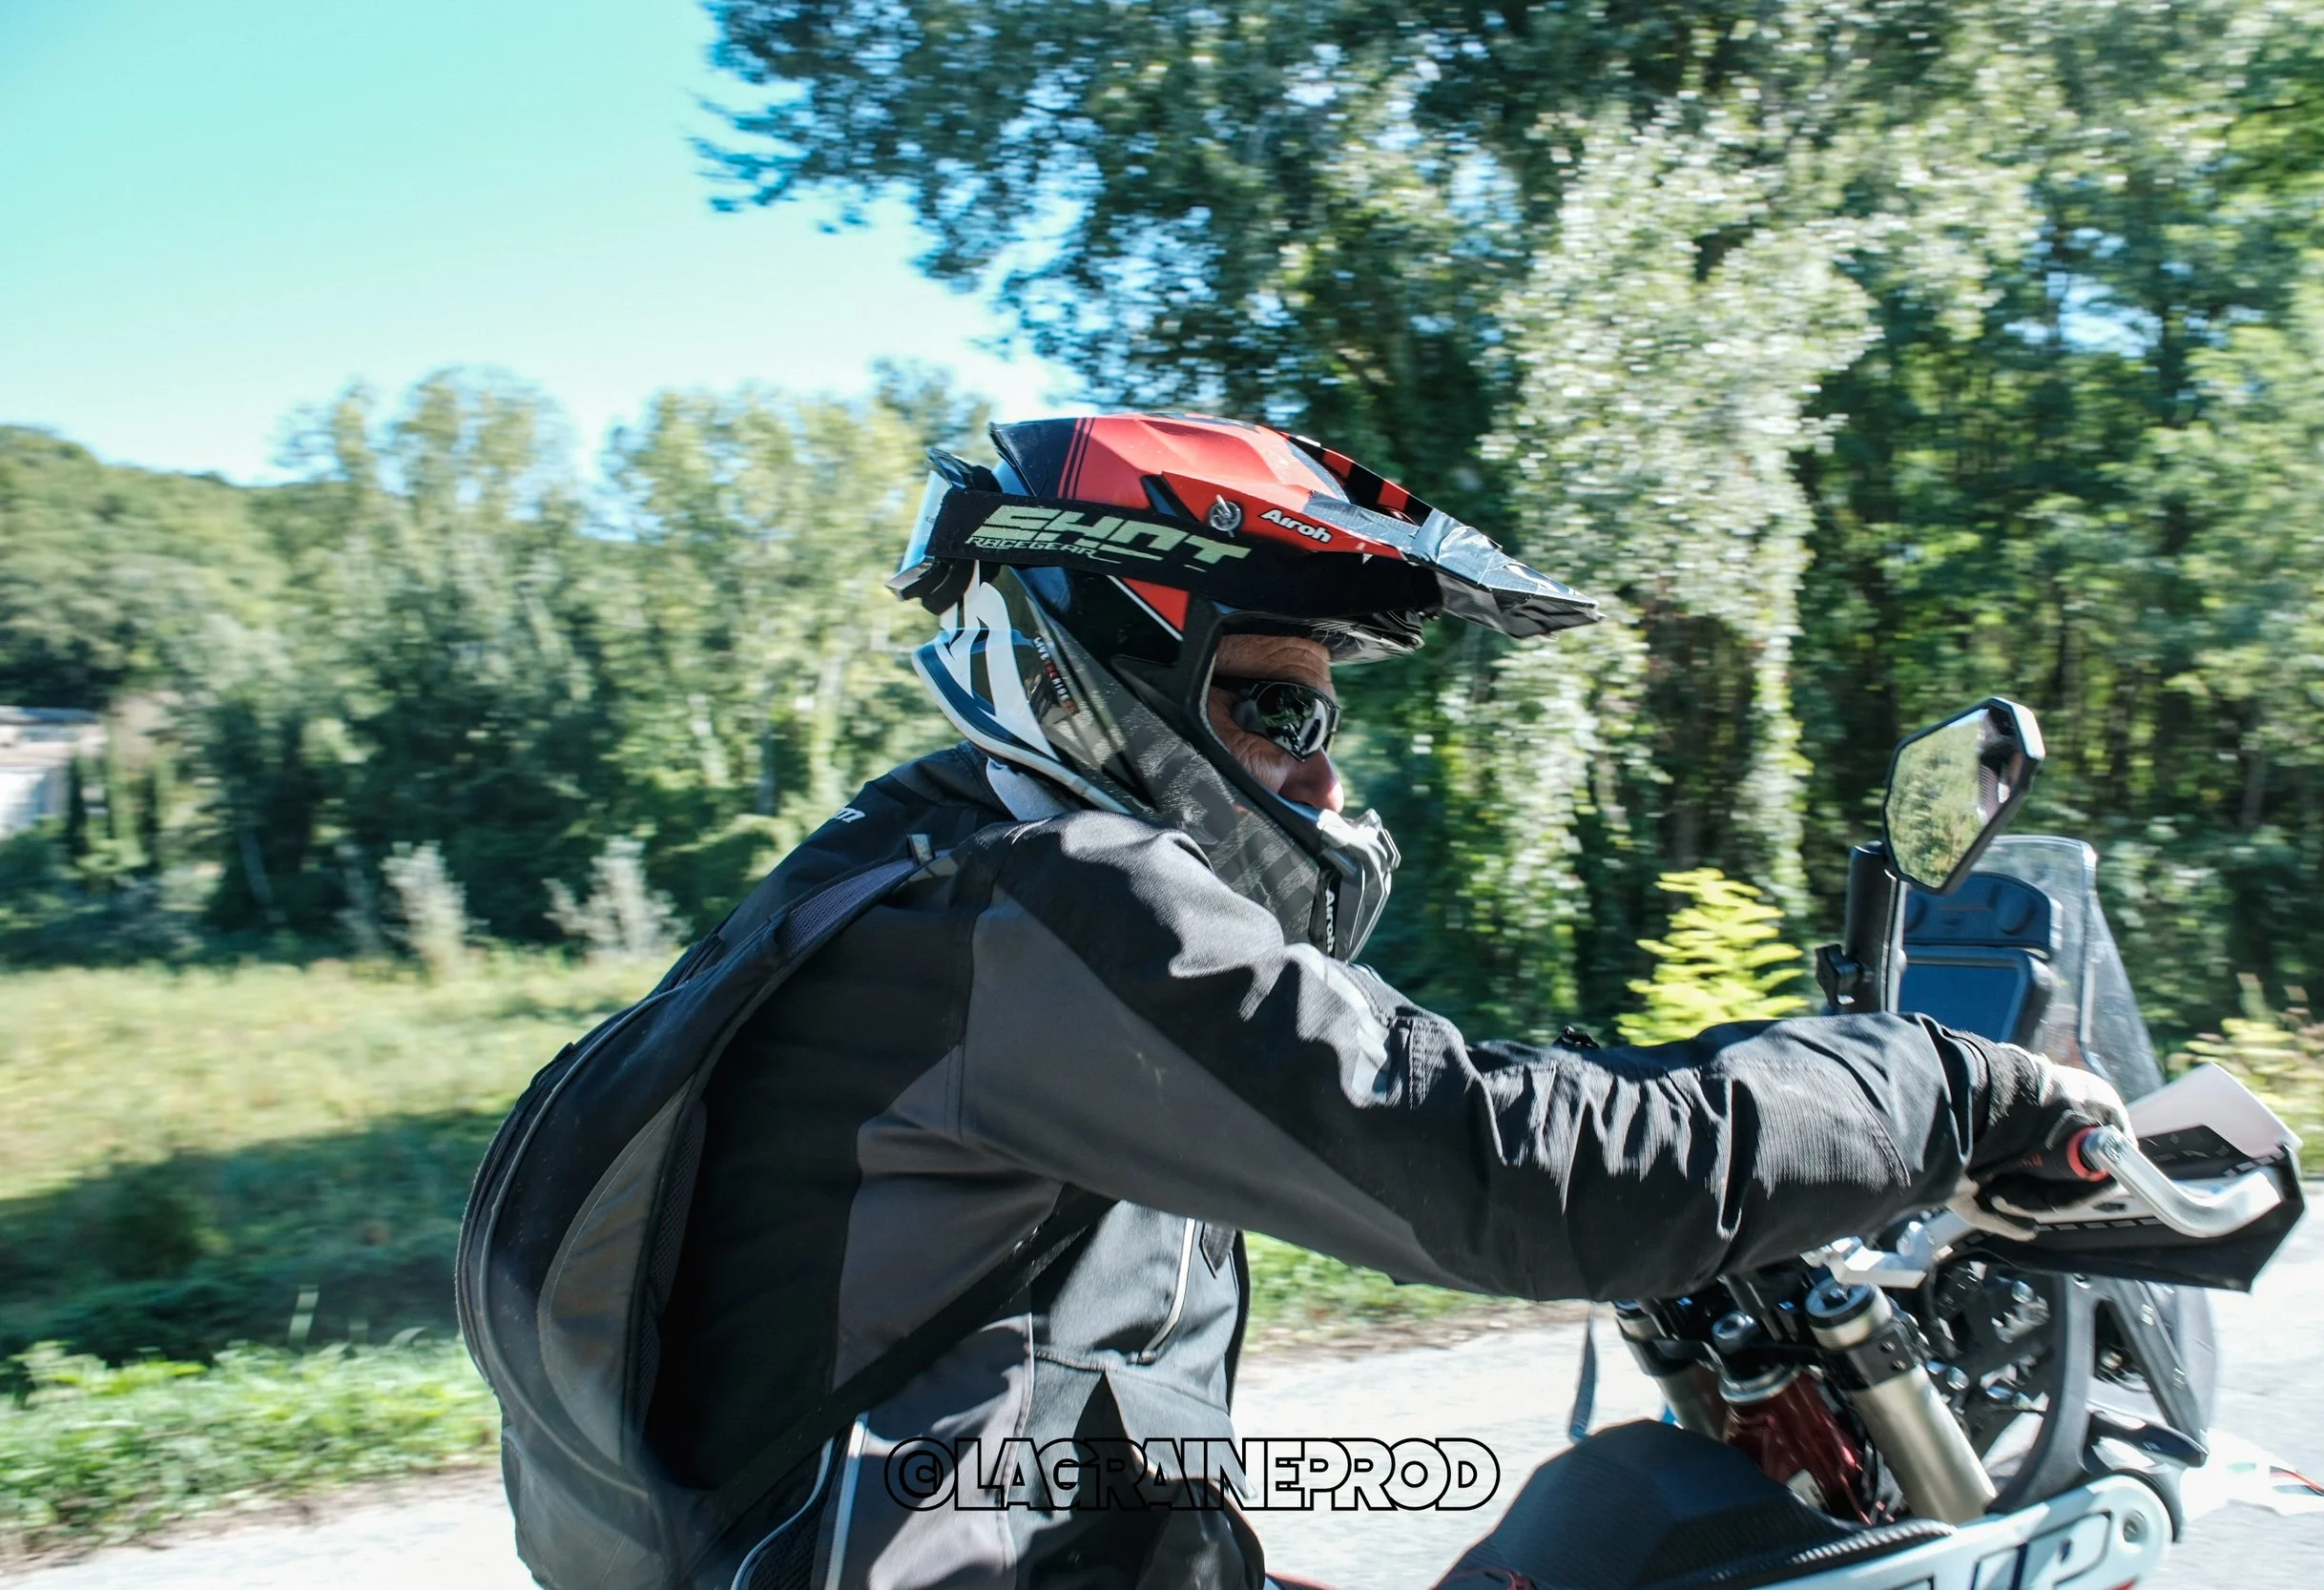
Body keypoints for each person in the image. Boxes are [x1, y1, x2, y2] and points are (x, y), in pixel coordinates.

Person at [646, 414, 2127, 1590]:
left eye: (1324, 717)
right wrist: (1952, 1087)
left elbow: (1413, 1089)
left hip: (937, 1543)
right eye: (1277, 709)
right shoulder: (1047, 903)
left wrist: (1702, 1108)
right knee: (1657, 1540)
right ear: (1116, 657)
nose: (1324, 771)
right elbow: (1502, 1167)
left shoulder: (911, 870)